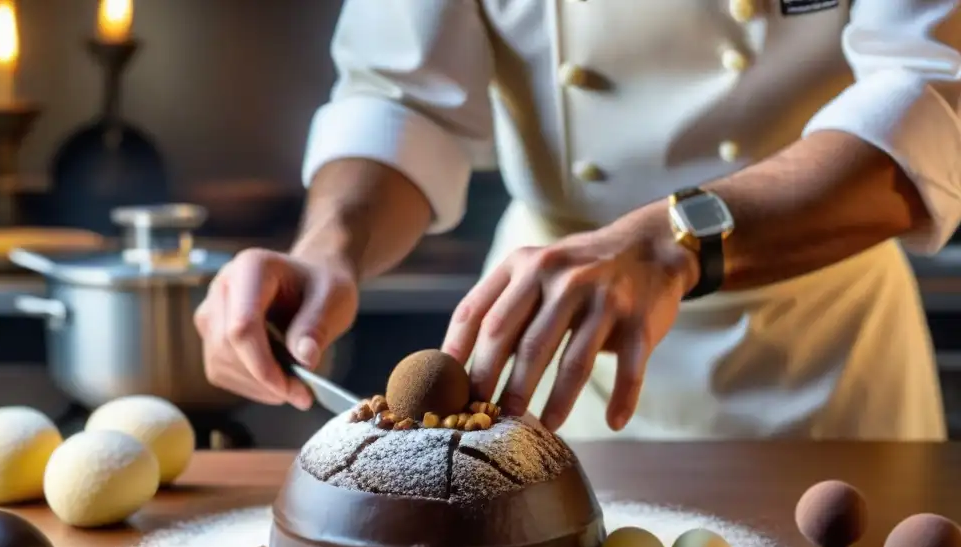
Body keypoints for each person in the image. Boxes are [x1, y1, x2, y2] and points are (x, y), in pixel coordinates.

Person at [194, 0, 961, 442]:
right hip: (550, 361)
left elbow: (930, 103)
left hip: (825, 368)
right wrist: (330, 248)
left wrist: (669, 241)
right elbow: (404, 97)